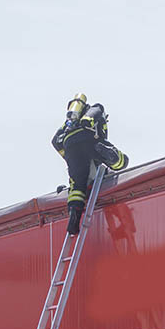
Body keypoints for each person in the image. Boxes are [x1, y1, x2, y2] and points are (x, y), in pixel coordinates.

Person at [52, 93, 129, 234]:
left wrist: (69, 158)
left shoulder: (67, 124)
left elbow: (55, 141)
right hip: (90, 140)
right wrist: (88, 123)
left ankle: (74, 218)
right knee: (123, 162)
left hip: (70, 147)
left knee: (77, 185)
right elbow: (93, 114)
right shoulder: (95, 108)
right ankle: (110, 156)